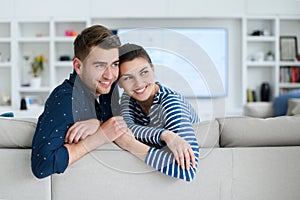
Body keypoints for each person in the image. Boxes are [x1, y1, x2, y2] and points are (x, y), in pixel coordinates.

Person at [31, 25, 128, 179]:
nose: (110, 75)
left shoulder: (107, 88)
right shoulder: (65, 99)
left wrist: (98, 124)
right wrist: (99, 136)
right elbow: (42, 165)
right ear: (78, 66)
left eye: (114, 64)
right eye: (100, 65)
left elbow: (122, 123)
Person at [115, 43, 200, 182]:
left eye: (144, 72)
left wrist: (129, 144)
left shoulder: (171, 103)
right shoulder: (128, 97)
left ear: (152, 69)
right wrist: (165, 135)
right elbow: (127, 127)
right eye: (128, 78)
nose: (138, 83)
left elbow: (187, 171)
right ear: (119, 83)